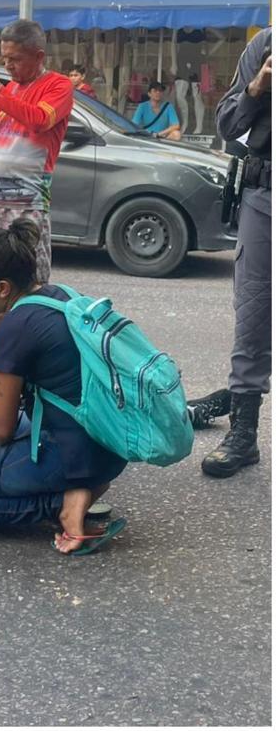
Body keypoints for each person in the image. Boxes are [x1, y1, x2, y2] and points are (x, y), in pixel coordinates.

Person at [0, 219, 127, 553]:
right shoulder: (60, 296)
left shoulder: (13, 329)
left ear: (2, 288)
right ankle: (82, 485)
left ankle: (60, 502)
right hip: (109, 442)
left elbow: (0, 431)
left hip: (75, 452)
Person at [187, 26, 271, 477]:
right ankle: (243, 433)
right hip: (266, 195)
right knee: (255, 315)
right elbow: (228, 125)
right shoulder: (266, 45)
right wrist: (257, 87)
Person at [0, 19, 74, 293]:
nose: (8, 66)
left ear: (38, 57)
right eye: (4, 59)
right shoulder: (11, 90)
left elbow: (39, 120)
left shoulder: (58, 86)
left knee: (29, 277)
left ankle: (26, 327)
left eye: (15, 59)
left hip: (27, 201)